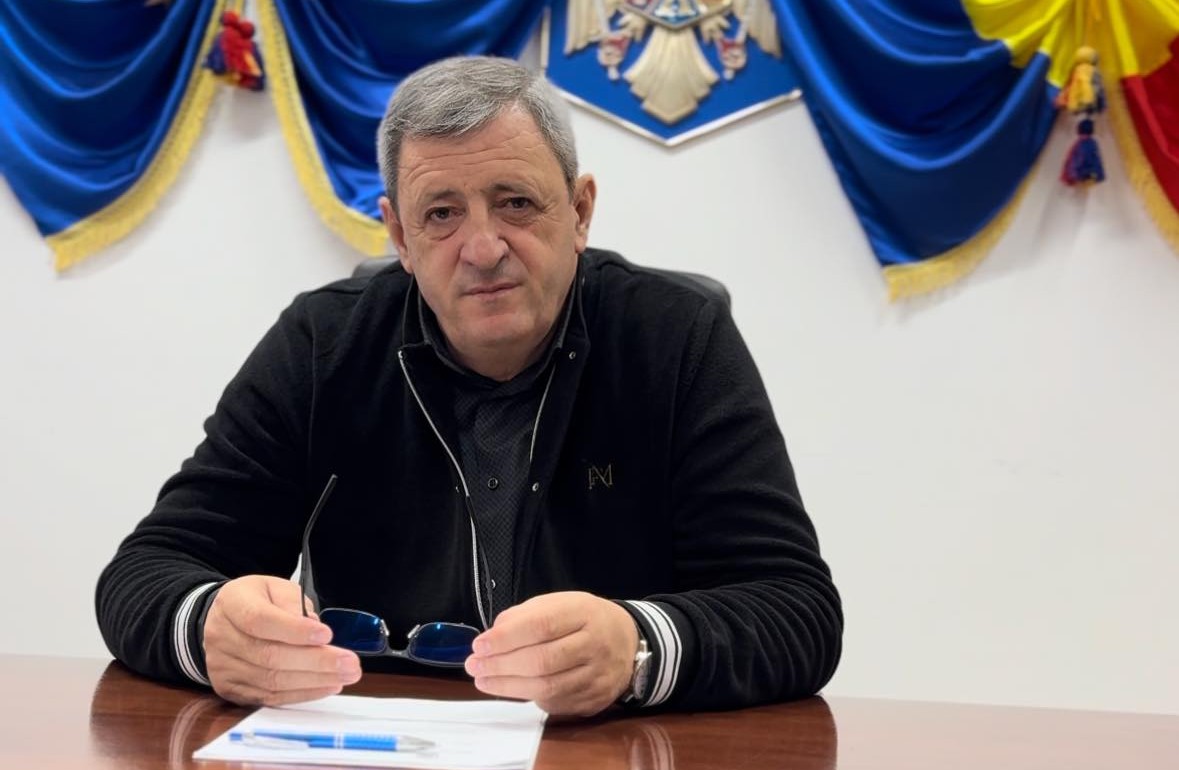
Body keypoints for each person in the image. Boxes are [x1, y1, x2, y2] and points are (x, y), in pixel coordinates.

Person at [95, 56, 842, 717]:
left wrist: (639, 648)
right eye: (441, 214)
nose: (482, 249)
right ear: (399, 236)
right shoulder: (324, 345)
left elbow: (797, 610)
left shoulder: (675, 337)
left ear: (579, 211)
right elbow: (144, 572)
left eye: (515, 202)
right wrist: (208, 627)